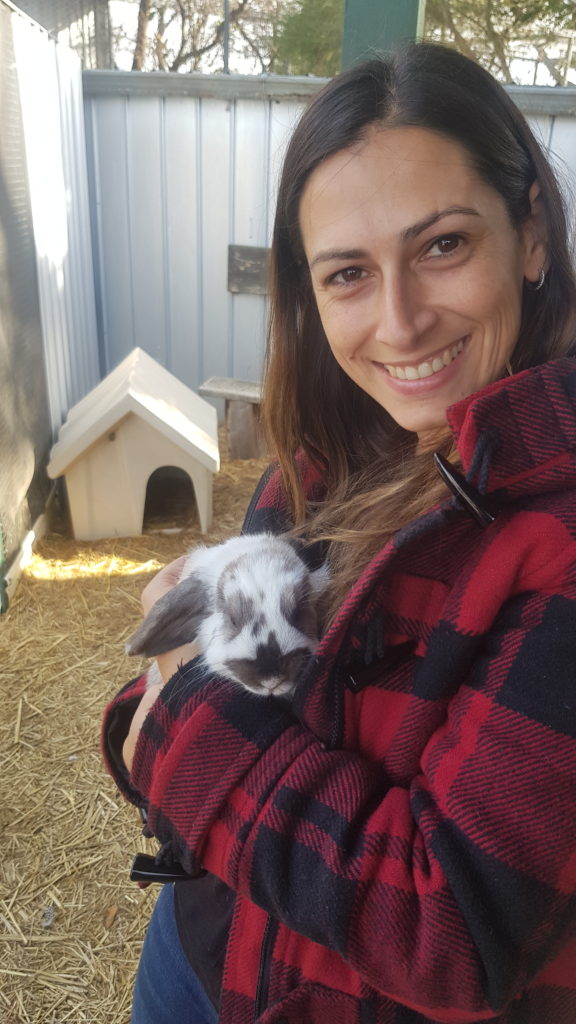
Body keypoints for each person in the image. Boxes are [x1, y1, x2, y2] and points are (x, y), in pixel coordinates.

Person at [102, 42, 576, 1024]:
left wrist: (176, 726)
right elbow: (212, 691)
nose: (398, 323)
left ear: (531, 234)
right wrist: (155, 720)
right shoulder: (323, 459)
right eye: (349, 273)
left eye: (443, 245)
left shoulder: (556, 538)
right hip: (203, 949)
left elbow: (450, 930)